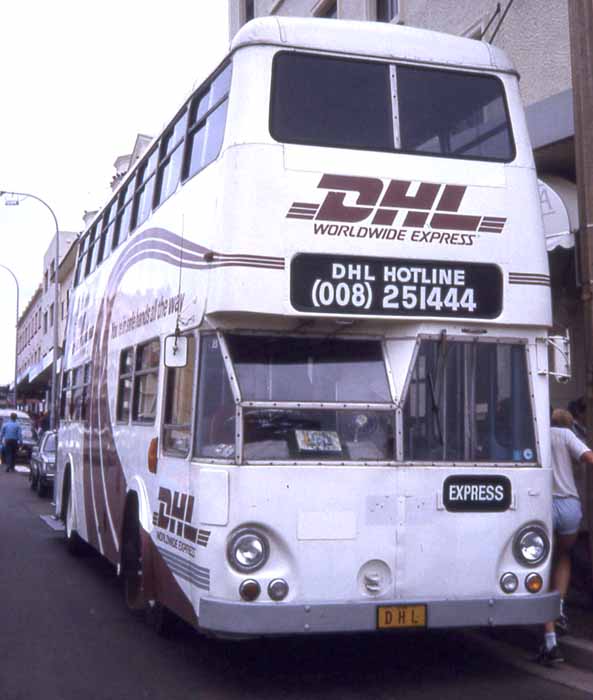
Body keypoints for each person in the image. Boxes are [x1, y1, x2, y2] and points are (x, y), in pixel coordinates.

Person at [538, 408, 593, 665]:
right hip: (570, 505)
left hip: (544, 506)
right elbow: (588, 457)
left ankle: (550, 643)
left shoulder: (537, 432)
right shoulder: (565, 435)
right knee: (563, 556)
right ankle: (559, 609)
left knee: (542, 566)